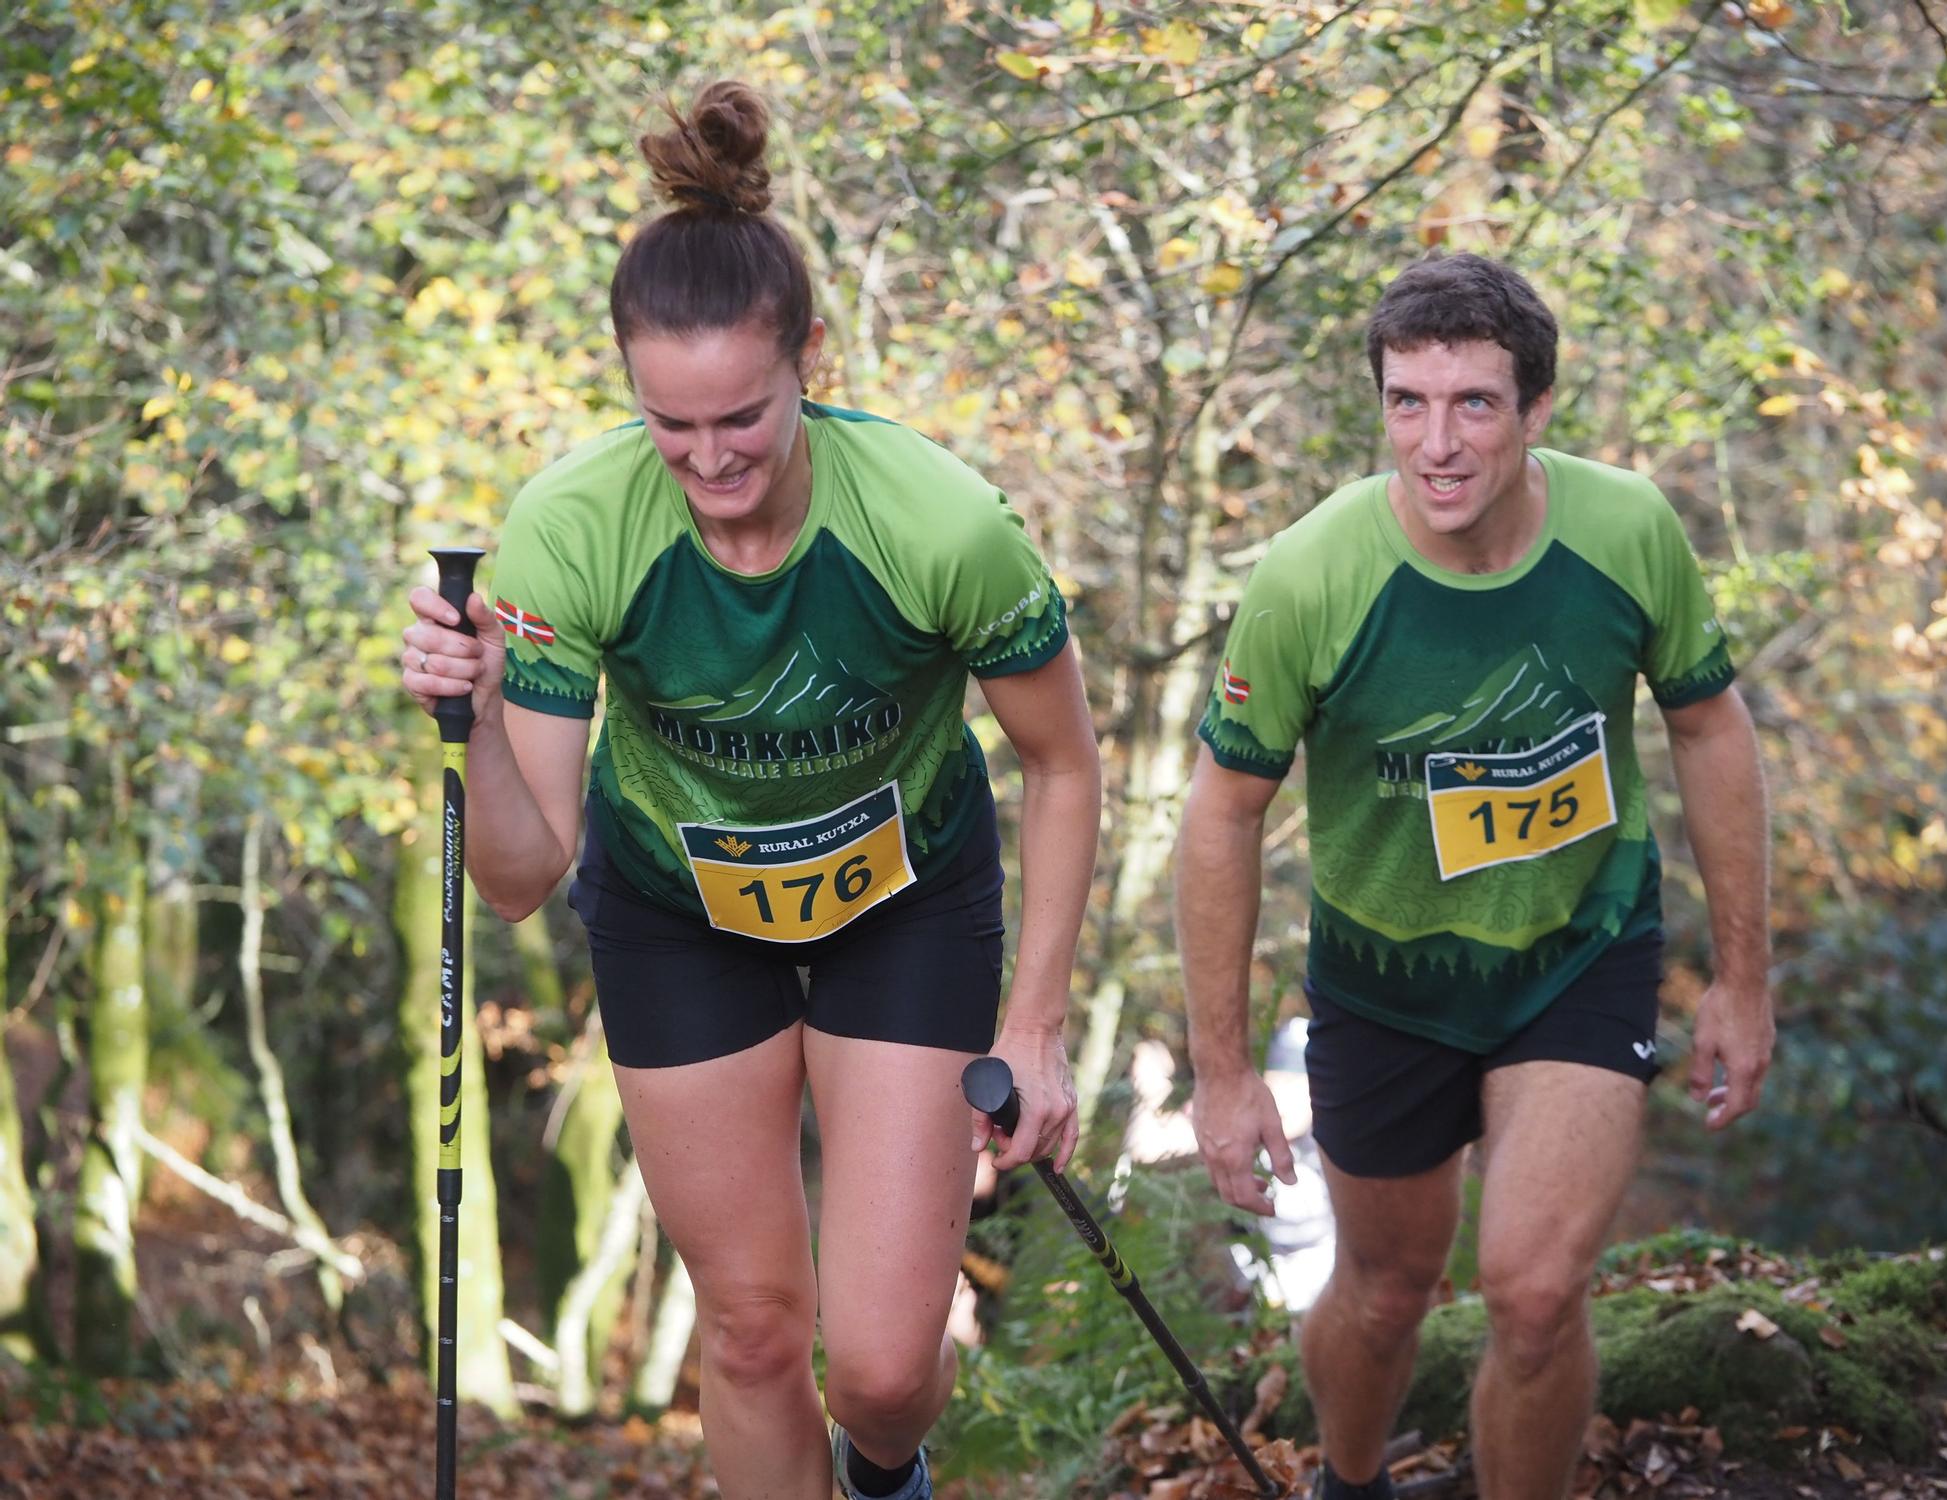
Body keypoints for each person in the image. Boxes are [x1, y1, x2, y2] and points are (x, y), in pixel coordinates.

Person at [400, 80, 1100, 1500]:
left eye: (744, 418)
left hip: (901, 904)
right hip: (682, 919)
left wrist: (1037, 1026)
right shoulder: (569, 532)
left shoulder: (937, 523)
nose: (711, 461)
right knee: (756, 1329)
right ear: (629, 391)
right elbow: (526, 872)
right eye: (672, 425)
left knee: (887, 1370)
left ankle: (884, 1479)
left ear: (810, 364)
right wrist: (468, 716)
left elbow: (1065, 758)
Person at [1176, 253, 1772, 1500]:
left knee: (1535, 1293)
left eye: (1473, 404)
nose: (1435, 443)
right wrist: (1223, 1074)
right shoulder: (1307, 577)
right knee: (1387, 1292)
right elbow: (1224, 816)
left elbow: (1709, 730)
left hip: (1576, 956)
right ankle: (1348, 1479)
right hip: (1382, 983)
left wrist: (1740, 979)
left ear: (1535, 409)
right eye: (1406, 402)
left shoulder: (1624, 531)